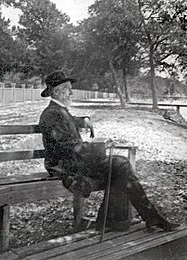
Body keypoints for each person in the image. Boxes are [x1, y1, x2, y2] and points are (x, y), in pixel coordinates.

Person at [38, 70, 180, 232]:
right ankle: (121, 219)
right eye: (68, 89)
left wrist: (83, 121)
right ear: (57, 91)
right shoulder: (52, 114)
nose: (71, 92)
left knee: (121, 167)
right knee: (121, 166)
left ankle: (133, 219)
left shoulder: (58, 111)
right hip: (63, 166)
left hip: (71, 161)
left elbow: (70, 121)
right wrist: (100, 146)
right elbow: (69, 146)